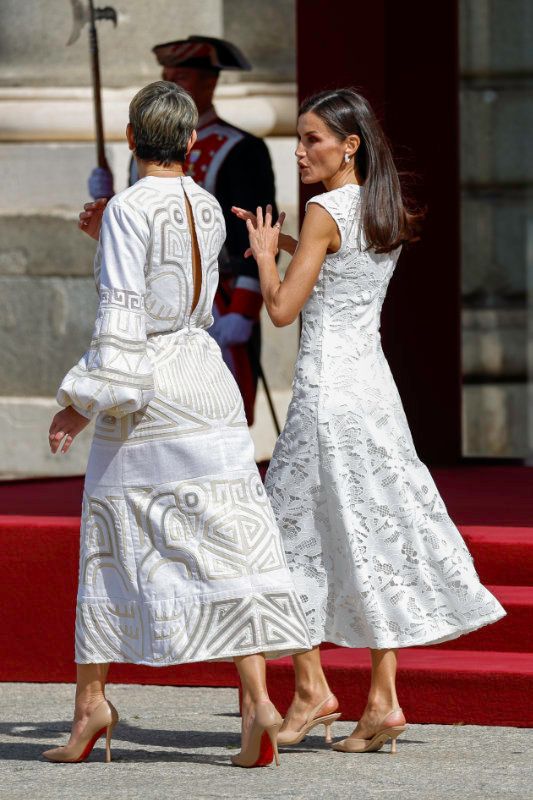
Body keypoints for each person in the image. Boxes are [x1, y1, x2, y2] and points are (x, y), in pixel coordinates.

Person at [45, 80, 311, 768]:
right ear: (192, 143)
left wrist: (83, 400)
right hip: (207, 376)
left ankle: (90, 707)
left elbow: (126, 312)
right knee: (230, 542)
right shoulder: (203, 203)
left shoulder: (128, 208)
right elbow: (175, 280)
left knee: (109, 542)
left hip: (150, 386)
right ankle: (256, 701)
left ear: (133, 141)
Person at [234, 87, 506, 754]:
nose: (299, 151)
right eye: (298, 139)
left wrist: (267, 254)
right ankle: (378, 700)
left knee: (284, 540)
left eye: (311, 139)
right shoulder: (378, 206)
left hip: (326, 396)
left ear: (348, 144)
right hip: (373, 392)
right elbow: (338, 269)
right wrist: (292, 244)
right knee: (367, 537)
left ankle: (311, 689)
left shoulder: (326, 209)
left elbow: (281, 310)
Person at [86, 36, 277, 425]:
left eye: (182, 76)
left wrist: (244, 305)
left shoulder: (241, 147)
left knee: (224, 405)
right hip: (156, 295)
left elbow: (253, 226)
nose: (172, 84)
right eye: (167, 76)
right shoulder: (145, 144)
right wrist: (108, 201)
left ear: (210, 82)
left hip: (219, 293)